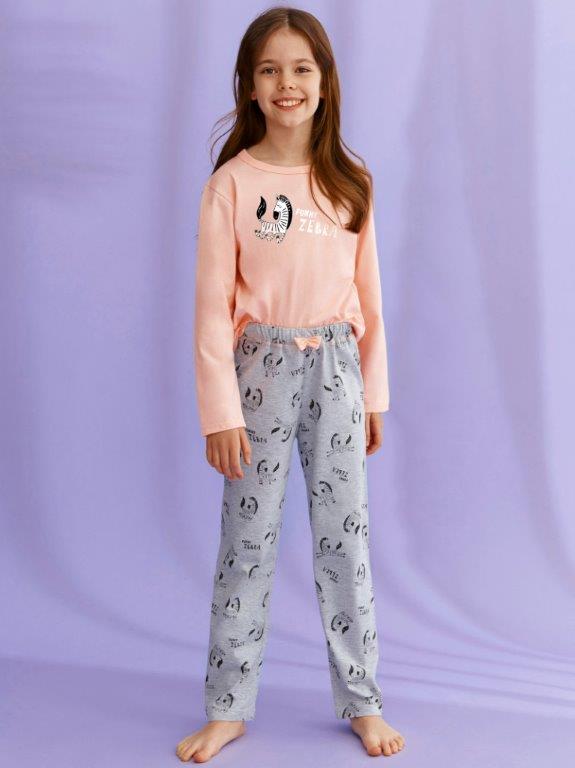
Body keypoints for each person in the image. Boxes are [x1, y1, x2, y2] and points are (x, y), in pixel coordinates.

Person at [176, 6, 405, 762]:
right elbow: (211, 311)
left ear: (324, 81)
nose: (286, 83)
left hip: (337, 371)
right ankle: (227, 705)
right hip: (259, 376)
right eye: (269, 69)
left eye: (301, 68)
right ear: (248, 85)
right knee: (247, 543)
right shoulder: (231, 186)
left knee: (345, 541)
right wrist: (219, 411)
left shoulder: (351, 182)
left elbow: (371, 301)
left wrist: (373, 397)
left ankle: (362, 700)